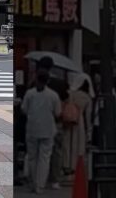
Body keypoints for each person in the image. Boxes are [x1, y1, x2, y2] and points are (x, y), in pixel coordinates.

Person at [21, 69, 62, 194]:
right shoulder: (53, 95)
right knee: (45, 158)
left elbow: (24, 109)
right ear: (48, 80)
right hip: (48, 129)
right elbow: (58, 113)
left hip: (32, 128)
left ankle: (33, 183)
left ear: (36, 79)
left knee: (33, 157)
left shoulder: (29, 93)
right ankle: (40, 184)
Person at [35, 56, 69, 190]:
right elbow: (66, 100)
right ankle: (54, 179)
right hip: (55, 122)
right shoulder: (60, 83)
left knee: (39, 152)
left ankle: (38, 179)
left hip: (37, 122)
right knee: (56, 151)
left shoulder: (35, 83)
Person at [63, 74, 93, 174]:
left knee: (67, 142)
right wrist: (89, 128)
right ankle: (75, 166)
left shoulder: (70, 93)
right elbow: (88, 115)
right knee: (78, 144)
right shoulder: (87, 97)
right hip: (79, 121)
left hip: (69, 119)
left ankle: (66, 164)